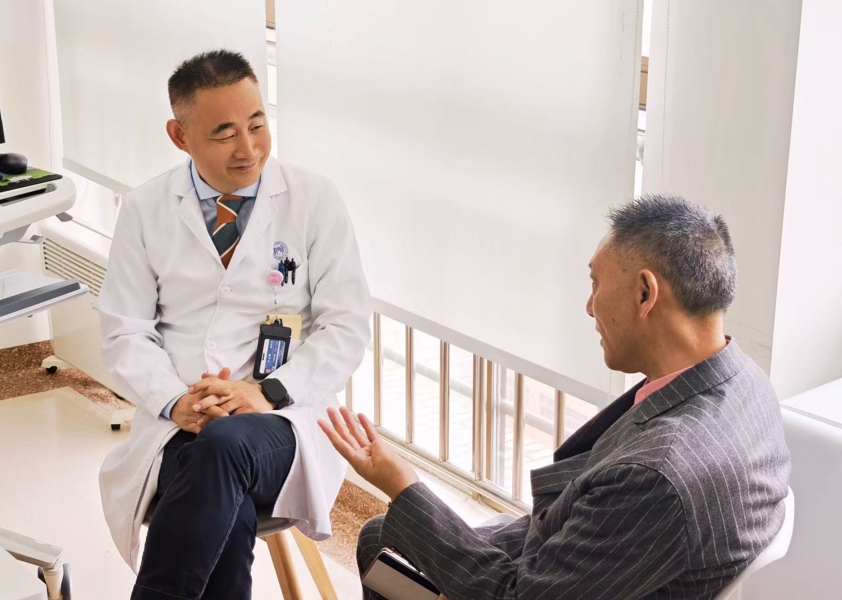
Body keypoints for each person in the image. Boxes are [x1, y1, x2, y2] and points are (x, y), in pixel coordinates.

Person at [322, 195, 791, 599]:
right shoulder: (744, 384)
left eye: (596, 283)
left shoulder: (659, 476)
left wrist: (403, 484)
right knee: (386, 535)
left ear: (645, 293)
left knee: (383, 541)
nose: (589, 306)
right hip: (603, 563)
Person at [97, 49, 371, 600]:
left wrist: (266, 392)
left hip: (284, 419)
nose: (248, 148)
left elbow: (346, 327)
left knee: (221, 451)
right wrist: (177, 401)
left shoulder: (314, 199)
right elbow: (125, 330)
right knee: (224, 493)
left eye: (257, 124)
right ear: (180, 135)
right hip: (182, 420)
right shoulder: (146, 208)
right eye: (224, 133)